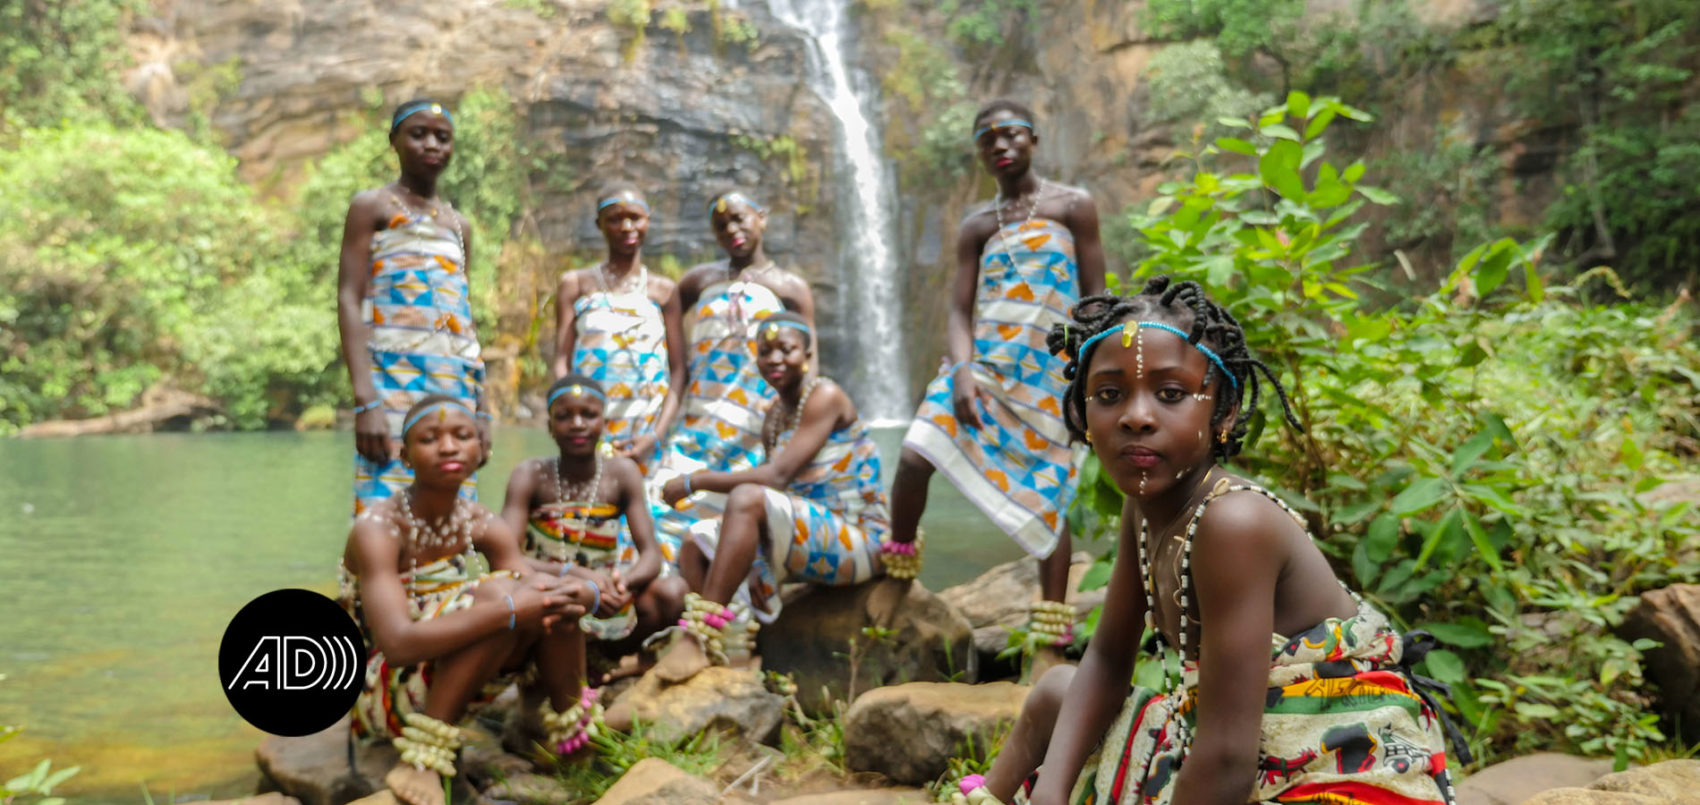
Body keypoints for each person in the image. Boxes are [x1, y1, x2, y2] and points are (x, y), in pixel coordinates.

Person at [952, 278, 1461, 805]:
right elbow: (1105, 661)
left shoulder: (1233, 523)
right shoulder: (1145, 509)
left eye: (1171, 395)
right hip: (1229, 748)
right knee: (1058, 691)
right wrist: (1049, 796)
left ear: (1223, 413)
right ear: (1081, 414)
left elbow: (1224, 759)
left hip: (1331, 771)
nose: (1137, 416)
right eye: (1109, 395)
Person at [889, 99, 1108, 667]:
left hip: (1047, 378)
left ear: (1033, 139)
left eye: (1010, 134)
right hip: (982, 367)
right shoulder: (977, 226)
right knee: (914, 456)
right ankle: (900, 564)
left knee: (1049, 495)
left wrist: (1087, 383)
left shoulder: (1073, 207)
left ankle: (1050, 633)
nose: (999, 145)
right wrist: (961, 372)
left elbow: (1096, 302)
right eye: (987, 139)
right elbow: (959, 311)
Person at [339, 396, 600, 805]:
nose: (448, 447)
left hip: (448, 673)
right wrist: (508, 609)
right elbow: (397, 643)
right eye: (430, 439)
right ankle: (422, 761)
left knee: (549, 602)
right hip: (381, 690)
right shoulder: (378, 528)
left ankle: (574, 735)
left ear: (481, 451)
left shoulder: (480, 522)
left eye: (462, 436)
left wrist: (583, 591)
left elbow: (533, 591)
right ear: (405, 457)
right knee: (500, 598)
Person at [645, 313, 893, 683]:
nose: (775, 358)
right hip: (810, 535)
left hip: (860, 539)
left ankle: (698, 638)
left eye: (786, 349)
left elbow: (776, 478)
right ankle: (730, 652)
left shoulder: (825, 395)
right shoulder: (775, 417)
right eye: (765, 352)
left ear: (807, 355)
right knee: (696, 541)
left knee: (747, 499)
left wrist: (696, 480)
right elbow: (776, 496)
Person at [337, 99, 490, 515]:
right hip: (392, 383)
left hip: (453, 383)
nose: (431, 144)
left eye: (443, 137)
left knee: (452, 498)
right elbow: (349, 298)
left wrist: (483, 410)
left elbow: (464, 320)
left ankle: (446, 582)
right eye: (418, 133)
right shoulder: (374, 207)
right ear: (394, 142)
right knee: (382, 503)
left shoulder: (460, 226)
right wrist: (366, 399)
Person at [648, 190, 815, 540]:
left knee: (739, 520)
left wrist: (791, 426)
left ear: (762, 217)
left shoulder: (790, 288)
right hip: (699, 421)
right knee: (660, 507)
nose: (732, 229)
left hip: (758, 425)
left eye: (739, 218)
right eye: (721, 225)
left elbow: (808, 367)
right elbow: (675, 358)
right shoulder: (698, 281)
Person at [499, 375, 688, 674]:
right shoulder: (530, 475)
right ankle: (540, 670)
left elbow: (651, 555)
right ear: (549, 426)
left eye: (588, 415)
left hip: (603, 596)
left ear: (604, 422)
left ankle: (605, 659)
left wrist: (622, 585)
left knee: (672, 592)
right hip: (546, 593)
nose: (577, 424)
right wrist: (576, 576)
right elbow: (505, 558)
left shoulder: (622, 473)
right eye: (564, 416)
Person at [551, 185, 685, 471]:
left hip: (646, 428)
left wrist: (655, 435)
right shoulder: (576, 285)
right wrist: (572, 417)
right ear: (599, 225)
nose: (627, 227)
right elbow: (562, 362)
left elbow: (679, 370)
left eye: (635, 218)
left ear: (648, 219)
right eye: (614, 219)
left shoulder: (664, 291)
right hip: (587, 426)